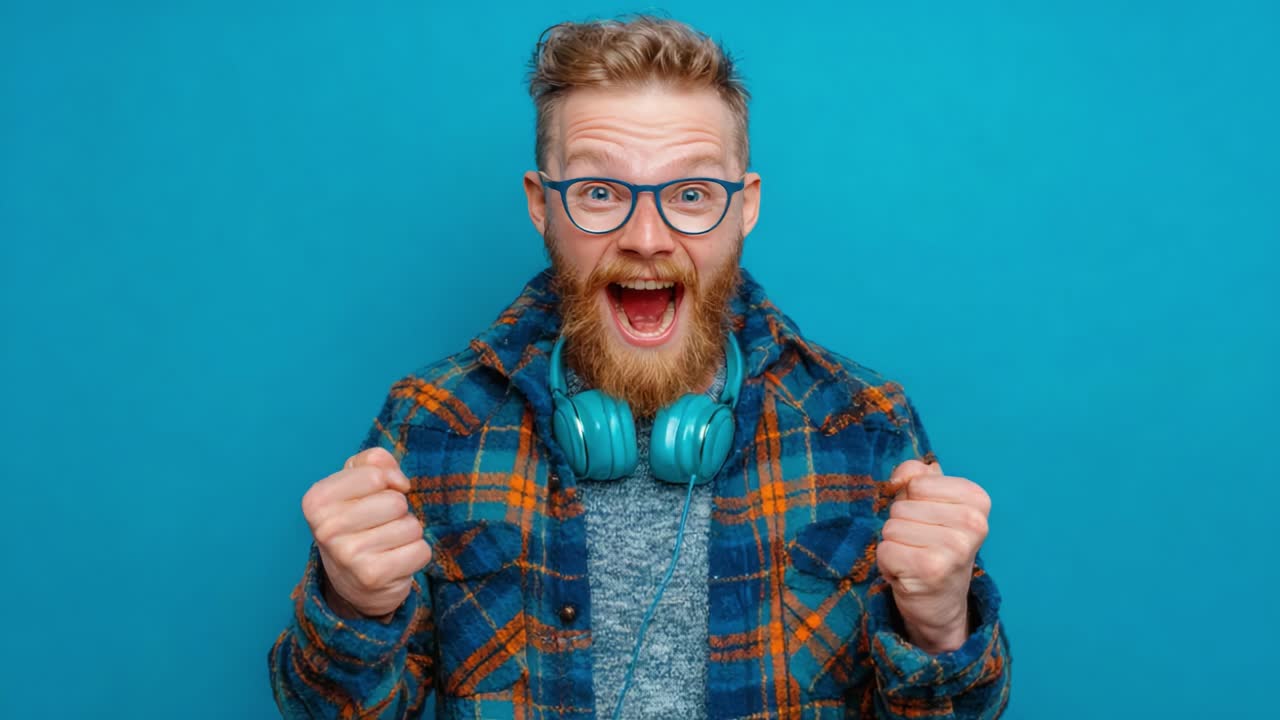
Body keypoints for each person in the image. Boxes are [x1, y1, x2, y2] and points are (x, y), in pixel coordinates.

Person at [268, 15, 1011, 719]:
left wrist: (939, 625)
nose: (647, 238)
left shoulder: (861, 425)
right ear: (541, 205)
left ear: (745, 207)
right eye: (599, 192)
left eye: (691, 193)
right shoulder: (434, 423)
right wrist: (352, 606)